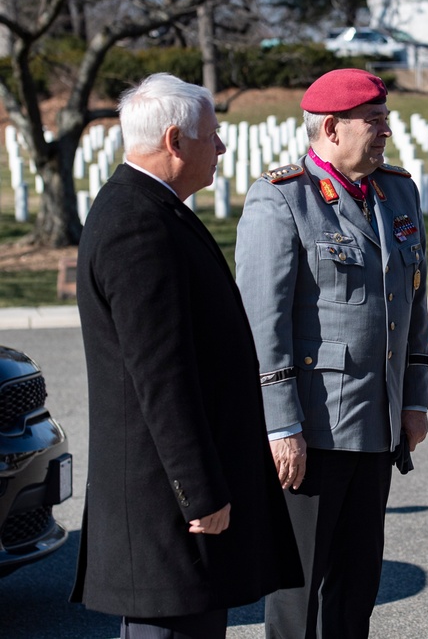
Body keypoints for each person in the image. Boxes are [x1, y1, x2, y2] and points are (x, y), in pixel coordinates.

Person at [71, 73, 302, 638]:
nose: (221, 148)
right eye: (213, 136)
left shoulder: (151, 208)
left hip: (179, 510)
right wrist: (199, 493)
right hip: (168, 515)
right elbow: (161, 376)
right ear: (175, 141)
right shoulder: (137, 225)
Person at [235, 68, 428, 639]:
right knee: (300, 595)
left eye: (385, 121)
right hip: (313, 431)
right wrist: (279, 427)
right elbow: (262, 324)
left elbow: (413, 303)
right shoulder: (282, 198)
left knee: (357, 587)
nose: (385, 132)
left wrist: (413, 402)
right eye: (373, 123)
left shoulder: (398, 190)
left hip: (377, 424)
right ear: (330, 127)